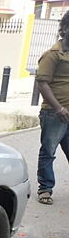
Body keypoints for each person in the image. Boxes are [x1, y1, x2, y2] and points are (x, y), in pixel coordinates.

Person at [36, 11, 69, 205]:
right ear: (64, 29)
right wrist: (58, 108)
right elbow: (42, 84)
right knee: (48, 151)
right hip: (54, 114)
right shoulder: (52, 55)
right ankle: (45, 189)